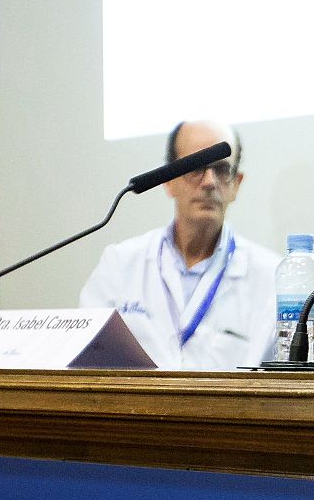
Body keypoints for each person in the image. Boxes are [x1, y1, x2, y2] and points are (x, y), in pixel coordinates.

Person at [79, 119, 278, 369]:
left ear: (236, 184)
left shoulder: (271, 278)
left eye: (222, 170)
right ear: (168, 180)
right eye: (195, 167)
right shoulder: (119, 265)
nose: (209, 182)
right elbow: (87, 361)